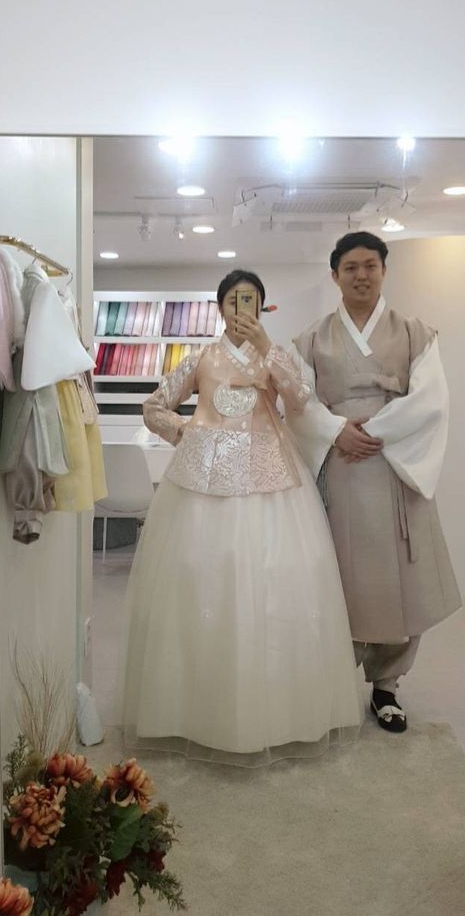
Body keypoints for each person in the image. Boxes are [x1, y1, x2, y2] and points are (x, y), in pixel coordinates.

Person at [119, 270, 361, 764]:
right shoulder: (200, 358)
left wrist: (268, 348)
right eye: (232, 301)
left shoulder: (275, 354)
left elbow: (301, 399)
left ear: (261, 307)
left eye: (248, 301)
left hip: (270, 474)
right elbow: (154, 406)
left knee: (273, 580)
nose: (239, 310)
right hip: (203, 479)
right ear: (219, 307)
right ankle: (194, 710)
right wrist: (182, 432)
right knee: (200, 579)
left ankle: (276, 713)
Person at [287, 232, 461, 733]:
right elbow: (297, 401)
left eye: (370, 265)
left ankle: (387, 686)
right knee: (338, 576)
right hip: (338, 467)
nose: (361, 275)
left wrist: (375, 432)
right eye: (350, 267)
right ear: (335, 275)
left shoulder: (415, 333)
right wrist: (335, 431)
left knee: (403, 578)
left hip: (393, 464)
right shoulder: (311, 339)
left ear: (384, 270)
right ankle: (334, 683)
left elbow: (431, 400)